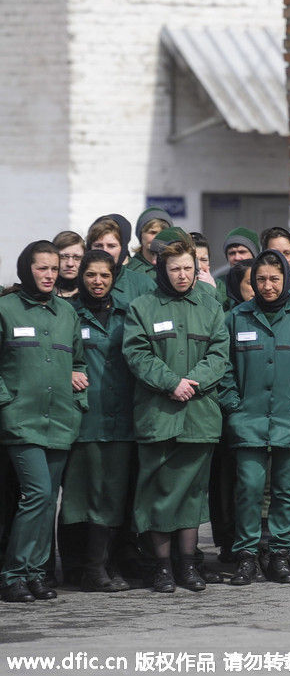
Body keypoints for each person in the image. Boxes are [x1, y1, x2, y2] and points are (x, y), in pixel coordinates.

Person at [122, 236, 229, 593]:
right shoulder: (143, 307)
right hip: (159, 415)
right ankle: (162, 568)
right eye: (176, 269)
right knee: (158, 493)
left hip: (199, 416)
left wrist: (193, 382)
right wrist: (171, 383)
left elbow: (219, 353)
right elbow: (137, 353)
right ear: (161, 270)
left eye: (189, 268)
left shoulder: (211, 305)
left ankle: (188, 565)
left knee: (192, 495)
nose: (183, 275)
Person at [219, 250, 290, 586]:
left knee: (285, 492)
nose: (267, 286)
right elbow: (223, 368)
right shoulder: (238, 317)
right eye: (261, 280)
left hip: (288, 418)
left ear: (285, 280)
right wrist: (233, 405)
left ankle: (280, 555)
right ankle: (248, 555)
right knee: (249, 489)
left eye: (274, 279)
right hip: (248, 420)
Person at [0, 241, 87, 603]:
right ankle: (12, 575)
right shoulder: (5, 309)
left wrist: (79, 400)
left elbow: (78, 363)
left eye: (54, 268)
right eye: (42, 268)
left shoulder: (67, 313)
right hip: (22, 421)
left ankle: (36, 573)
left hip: (61, 421)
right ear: (26, 269)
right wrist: (7, 404)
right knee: (35, 494)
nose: (50, 274)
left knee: (49, 499)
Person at [59, 250, 135, 593]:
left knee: (113, 495)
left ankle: (102, 565)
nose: (98, 281)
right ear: (80, 276)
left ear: (114, 277)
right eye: (91, 275)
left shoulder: (126, 314)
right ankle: (78, 567)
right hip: (83, 418)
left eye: (105, 275)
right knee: (78, 497)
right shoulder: (66, 313)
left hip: (121, 419)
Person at [86, 215, 154, 304]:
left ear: (122, 249)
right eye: (98, 246)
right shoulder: (78, 284)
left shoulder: (143, 285)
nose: (105, 251)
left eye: (111, 246)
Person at [126, 208, 173, 278]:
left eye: (163, 233)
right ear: (141, 234)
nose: (158, 237)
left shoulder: (177, 268)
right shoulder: (130, 270)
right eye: (153, 232)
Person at [53, 231, 85, 300]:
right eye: (63, 257)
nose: (70, 264)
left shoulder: (91, 294)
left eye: (77, 257)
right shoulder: (42, 294)